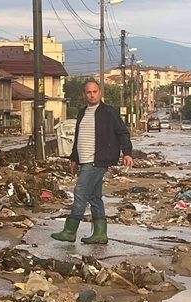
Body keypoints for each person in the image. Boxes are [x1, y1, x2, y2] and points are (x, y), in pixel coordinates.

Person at [51, 81, 134, 244]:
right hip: (84, 160)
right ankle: (100, 234)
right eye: (88, 92)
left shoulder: (109, 112)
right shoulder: (82, 113)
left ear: (100, 93)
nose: (92, 95)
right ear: (84, 94)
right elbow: (78, 138)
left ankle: (70, 230)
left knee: (80, 192)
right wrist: (74, 158)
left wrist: (127, 153)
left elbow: (122, 132)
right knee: (95, 197)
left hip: (98, 160)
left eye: (95, 91)